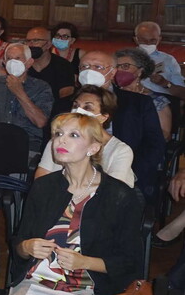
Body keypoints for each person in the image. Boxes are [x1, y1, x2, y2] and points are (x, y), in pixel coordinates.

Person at [1, 113, 142, 295]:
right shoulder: (45, 187)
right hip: (37, 284)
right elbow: (19, 242)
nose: (60, 141)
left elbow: (130, 264)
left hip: (85, 291)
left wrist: (84, 261)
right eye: (58, 134)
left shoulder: (120, 196)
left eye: (73, 135)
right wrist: (27, 246)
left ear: (93, 148)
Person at [72, 50, 165, 204]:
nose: (90, 71)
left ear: (113, 72)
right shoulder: (65, 102)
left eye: (98, 67)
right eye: (84, 67)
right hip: (74, 173)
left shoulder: (138, 103)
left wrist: (129, 172)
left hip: (127, 172)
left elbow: (154, 144)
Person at [0, 43, 54, 160]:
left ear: (29, 63)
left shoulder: (41, 87)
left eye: (18, 58)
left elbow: (40, 122)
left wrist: (19, 92)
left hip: (26, 147)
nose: (13, 62)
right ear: (4, 62)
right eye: (9, 58)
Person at [34, 85, 134, 188]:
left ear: (104, 117)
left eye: (87, 108)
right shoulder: (59, 140)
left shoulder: (120, 150)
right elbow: (41, 177)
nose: (78, 111)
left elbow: (114, 191)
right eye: (75, 106)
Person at [114, 47, 173, 140]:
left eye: (125, 66)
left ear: (140, 71)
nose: (119, 70)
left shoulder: (157, 101)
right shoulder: (110, 95)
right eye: (116, 66)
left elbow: (165, 133)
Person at [135, 21, 185, 98]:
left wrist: (164, 83)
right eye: (143, 40)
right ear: (136, 39)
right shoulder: (126, 58)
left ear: (159, 39)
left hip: (162, 100)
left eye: (152, 40)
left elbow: (182, 93)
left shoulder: (168, 60)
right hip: (133, 99)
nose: (148, 43)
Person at [26, 26, 75, 99]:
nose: (30, 45)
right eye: (28, 41)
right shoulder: (22, 64)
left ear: (48, 44)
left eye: (36, 40)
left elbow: (65, 97)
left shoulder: (64, 66)